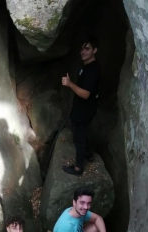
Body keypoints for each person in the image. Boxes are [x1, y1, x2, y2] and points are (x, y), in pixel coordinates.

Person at [62, 35, 100, 176]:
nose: (83, 52)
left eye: (87, 49)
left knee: (79, 136)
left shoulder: (93, 70)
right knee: (79, 132)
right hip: (81, 107)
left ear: (95, 50)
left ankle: (78, 168)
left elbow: (85, 94)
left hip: (85, 109)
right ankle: (88, 154)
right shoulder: (86, 66)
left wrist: (70, 84)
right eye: (82, 49)